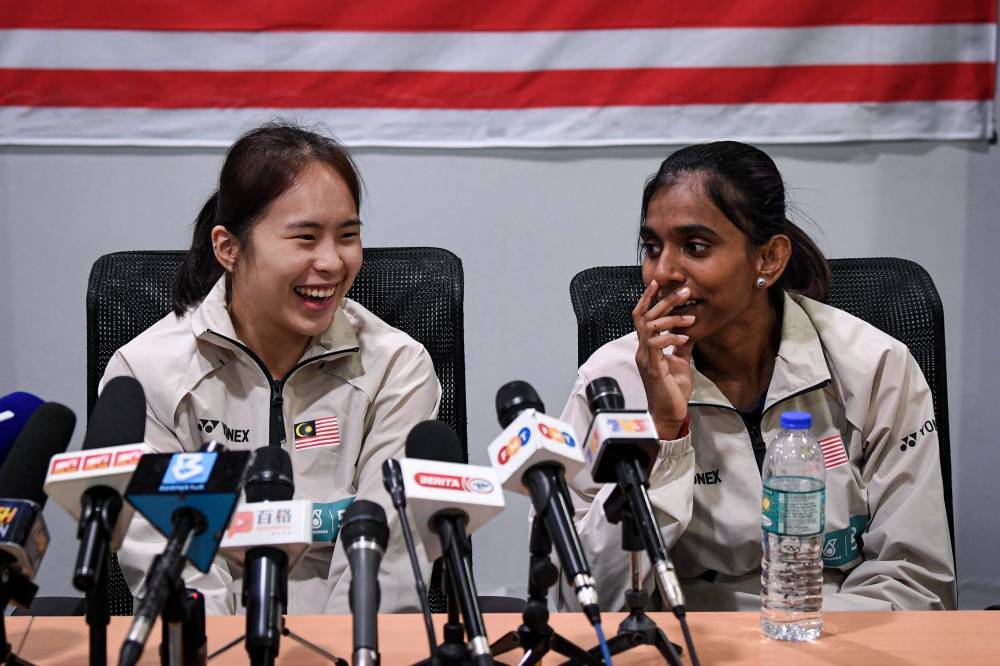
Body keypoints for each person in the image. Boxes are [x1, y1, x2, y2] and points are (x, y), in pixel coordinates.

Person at [559, 141, 956, 611]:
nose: (662, 271)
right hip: (690, 643)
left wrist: (791, 643)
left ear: (768, 259)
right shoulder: (611, 382)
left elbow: (917, 585)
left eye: (695, 246)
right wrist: (662, 433)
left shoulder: (875, 366)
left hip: (837, 638)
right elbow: (583, 602)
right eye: (651, 247)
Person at [100, 122, 441, 614]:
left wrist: (345, 651)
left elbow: (386, 558)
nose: (331, 262)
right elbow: (175, 565)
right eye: (305, 238)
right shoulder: (145, 373)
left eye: (347, 236)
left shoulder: (397, 366)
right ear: (229, 248)